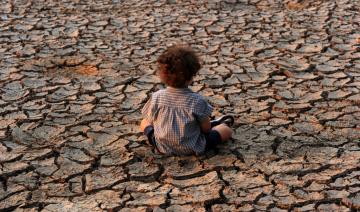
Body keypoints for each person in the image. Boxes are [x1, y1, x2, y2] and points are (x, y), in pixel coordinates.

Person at [140, 44, 233, 155]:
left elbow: (150, 121)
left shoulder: (156, 97)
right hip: (192, 147)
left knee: (144, 122)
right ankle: (217, 123)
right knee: (226, 130)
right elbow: (206, 129)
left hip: (162, 146)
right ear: (191, 76)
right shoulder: (197, 101)